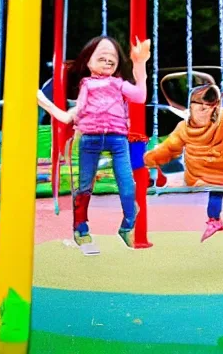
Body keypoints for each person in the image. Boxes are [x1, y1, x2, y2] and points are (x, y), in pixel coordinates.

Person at [38, 35, 150, 255]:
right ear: (88, 62)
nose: (108, 61)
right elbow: (75, 112)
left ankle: (127, 224)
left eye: (112, 59)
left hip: (117, 138)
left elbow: (140, 95)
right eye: (102, 58)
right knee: (85, 186)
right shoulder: (87, 85)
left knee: (128, 186)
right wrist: (47, 104)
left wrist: (140, 63)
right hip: (89, 137)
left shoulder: (118, 83)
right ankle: (81, 229)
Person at [144, 68, 223, 242]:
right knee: (201, 188)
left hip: (219, 172)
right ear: (191, 106)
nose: (204, 108)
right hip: (196, 175)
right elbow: (170, 148)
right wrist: (151, 158)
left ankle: (214, 219)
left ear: (216, 107)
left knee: (216, 190)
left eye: (209, 105)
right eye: (199, 104)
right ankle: (159, 180)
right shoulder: (184, 127)